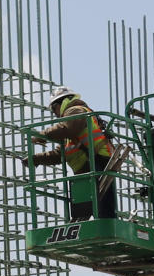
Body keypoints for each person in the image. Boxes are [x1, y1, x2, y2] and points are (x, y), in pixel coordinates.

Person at [21, 87, 116, 221]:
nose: (55, 115)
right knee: (86, 207)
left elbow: (67, 129)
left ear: (58, 105)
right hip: (89, 166)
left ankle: (107, 227)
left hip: (98, 162)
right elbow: (61, 153)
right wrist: (35, 159)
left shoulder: (75, 110)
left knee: (103, 208)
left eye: (54, 110)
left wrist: (41, 135)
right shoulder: (70, 122)